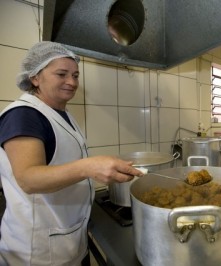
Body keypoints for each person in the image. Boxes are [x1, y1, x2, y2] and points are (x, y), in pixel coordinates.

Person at [0, 41, 144, 265]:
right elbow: (28, 178)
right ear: (35, 77)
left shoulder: (59, 113)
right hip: (38, 252)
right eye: (61, 74)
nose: (71, 82)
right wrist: (89, 166)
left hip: (67, 239)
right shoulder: (24, 115)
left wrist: (101, 165)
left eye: (75, 75)